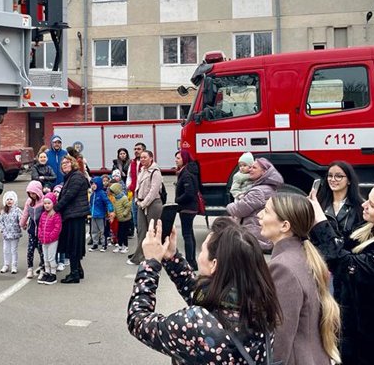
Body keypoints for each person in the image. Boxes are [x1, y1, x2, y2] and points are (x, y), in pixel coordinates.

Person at [127, 220, 281, 364]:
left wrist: (150, 264)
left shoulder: (195, 323)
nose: (199, 255)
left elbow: (138, 320)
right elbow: (202, 296)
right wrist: (172, 258)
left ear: (214, 264)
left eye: (202, 250)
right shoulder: (261, 307)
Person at [308, 183, 374, 365]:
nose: (363, 205)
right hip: (357, 336)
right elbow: (339, 245)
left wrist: (319, 221)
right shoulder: (368, 231)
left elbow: (344, 263)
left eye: (372, 205)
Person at [259, 194, 340, 364]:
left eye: (266, 211)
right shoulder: (303, 255)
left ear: (284, 225)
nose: (259, 215)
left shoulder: (283, 267)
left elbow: (281, 334)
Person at [226, 157, 284, 252]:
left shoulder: (258, 191)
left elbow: (238, 210)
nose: (250, 170)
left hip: (255, 238)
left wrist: (229, 206)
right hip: (260, 236)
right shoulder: (269, 188)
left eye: (254, 168)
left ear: (264, 172)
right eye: (250, 167)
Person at [54, 155, 90, 284]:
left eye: (67, 163)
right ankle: (78, 270)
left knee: (74, 245)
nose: (64, 165)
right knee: (72, 245)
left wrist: (55, 208)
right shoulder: (71, 177)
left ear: (73, 163)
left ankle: (74, 273)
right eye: (62, 163)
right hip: (72, 215)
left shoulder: (76, 177)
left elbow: (69, 196)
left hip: (75, 215)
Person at [128, 150, 163, 266]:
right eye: (141, 158)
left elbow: (154, 191)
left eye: (145, 157)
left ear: (151, 158)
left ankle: (154, 257)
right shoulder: (142, 171)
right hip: (141, 204)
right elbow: (137, 187)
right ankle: (140, 257)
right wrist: (137, 200)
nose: (142, 159)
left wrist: (144, 203)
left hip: (153, 204)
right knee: (142, 231)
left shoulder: (155, 172)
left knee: (152, 231)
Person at [316, 160, 365, 243]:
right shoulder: (319, 204)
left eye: (338, 176)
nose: (333, 179)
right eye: (330, 176)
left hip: (349, 253)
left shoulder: (360, 207)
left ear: (349, 180)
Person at [174, 149, 200, 269]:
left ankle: (190, 261)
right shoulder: (188, 171)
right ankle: (192, 261)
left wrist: (178, 199)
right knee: (190, 233)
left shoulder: (186, 174)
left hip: (187, 208)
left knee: (187, 235)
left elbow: (189, 193)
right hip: (190, 207)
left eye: (178, 158)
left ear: (184, 159)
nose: (176, 160)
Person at [20, 180, 45, 279]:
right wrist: (22, 223)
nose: (31, 195)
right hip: (32, 230)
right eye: (29, 193)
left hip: (42, 231)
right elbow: (25, 213)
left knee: (41, 250)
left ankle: (43, 268)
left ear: (38, 192)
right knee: (30, 250)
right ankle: (29, 269)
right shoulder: (29, 202)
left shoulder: (43, 201)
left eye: (33, 193)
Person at [37, 192, 63, 285]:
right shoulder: (43, 215)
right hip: (44, 240)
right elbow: (40, 226)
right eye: (45, 203)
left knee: (51, 258)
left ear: (53, 203)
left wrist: (51, 236)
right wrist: (40, 235)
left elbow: (57, 228)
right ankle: (47, 272)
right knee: (46, 257)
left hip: (52, 241)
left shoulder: (56, 215)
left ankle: (53, 274)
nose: (47, 205)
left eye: (49, 203)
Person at [0, 191, 22, 274]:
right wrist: (2, 229)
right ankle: (6, 264)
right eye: (7, 199)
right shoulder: (4, 211)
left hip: (15, 234)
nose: (9, 201)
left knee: (13, 250)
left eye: (11, 199)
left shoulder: (17, 210)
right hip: (6, 234)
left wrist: (23, 224)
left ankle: (14, 265)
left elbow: (21, 220)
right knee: (5, 250)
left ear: (14, 200)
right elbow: (1, 221)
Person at [127, 142, 146, 236]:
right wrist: (129, 186)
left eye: (138, 149)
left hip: (144, 195)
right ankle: (139, 233)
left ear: (143, 150)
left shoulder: (148, 163)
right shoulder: (132, 163)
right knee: (135, 216)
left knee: (143, 218)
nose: (136, 151)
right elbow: (129, 176)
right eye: (135, 149)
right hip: (134, 193)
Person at [88, 177, 112, 252]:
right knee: (93, 231)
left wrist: (111, 210)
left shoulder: (102, 193)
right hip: (93, 215)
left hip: (101, 215)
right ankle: (95, 244)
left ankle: (104, 244)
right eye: (92, 184)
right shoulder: (93, 194)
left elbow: (108, 202)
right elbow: (91, 204)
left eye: (95, 184)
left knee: (102, 231)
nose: (93, 186)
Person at [109, 182, 132, 253]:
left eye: (113, 191)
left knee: (124, 233)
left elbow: (128, 207)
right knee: (119, 233)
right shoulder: (116, 199)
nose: (113, 193)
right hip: (119, 219)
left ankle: (125, 246)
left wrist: (124, 213)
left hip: (125, 219)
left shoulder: (124, 198)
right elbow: (115, 208)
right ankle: (120, 245)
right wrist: (114, 214)